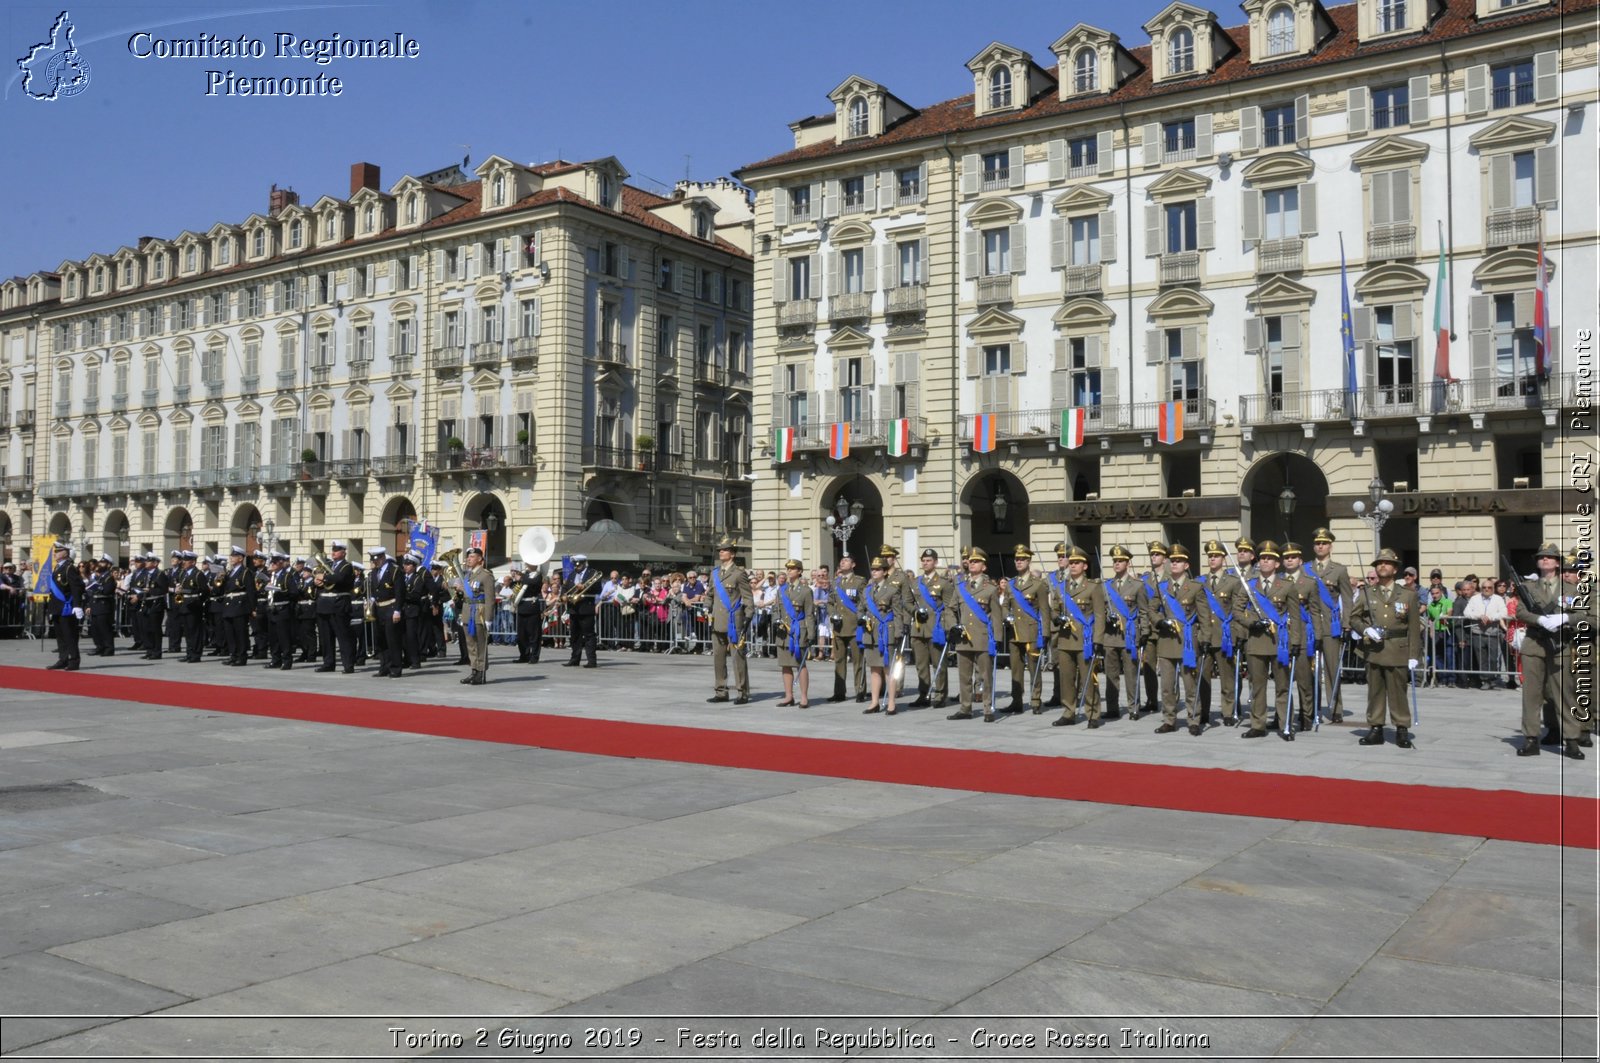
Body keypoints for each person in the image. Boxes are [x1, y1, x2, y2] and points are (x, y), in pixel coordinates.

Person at [1513, 542, 1584, 758]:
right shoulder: (1528, 587)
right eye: (1541, 557)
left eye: (1550, 557)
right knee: (1531, 695)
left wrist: (1565, 618)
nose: (1545, 560)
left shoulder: (1572, 590)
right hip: (1534, 645)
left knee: (1564, 695)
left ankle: (1572, 740)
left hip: (1559, 646)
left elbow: (1585, 616)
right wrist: (1540, 620)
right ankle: (1531, 738)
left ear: (1557, 562)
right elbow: (1521, 612)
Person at [1349, 547, 1422, 749]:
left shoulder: (1407, 595)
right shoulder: (1366, 593)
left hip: (1398, 648)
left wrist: (1414, 654)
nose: (1382, 565)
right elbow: (1353, 618)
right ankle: (1376, 728)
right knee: (1375, 691)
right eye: (1379, 563)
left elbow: (1414, 627)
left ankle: (1401, 728)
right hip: (1373, 648)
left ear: (1395, 569)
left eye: (1387, 563)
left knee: (1398, 691)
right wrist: (1366, 630)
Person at [1236, 541, 1303, 741]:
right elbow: (1237, 610)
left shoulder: (1287, 586)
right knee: (1257, 686)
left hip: (1280, 642)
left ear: (1277, 564)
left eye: (1270, 559)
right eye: (1263, 558)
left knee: (1283, 686)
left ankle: (1285, 724)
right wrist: (1250, 623)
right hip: (1256, 642)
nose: (1265, 562)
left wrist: (1296, 642)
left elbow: (1296, 616)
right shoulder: (1249, 585)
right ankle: (1258, 724)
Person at [1152, 543, 1207, 735]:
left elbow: (1204, 615)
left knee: (1190, 685)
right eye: (1172, 560)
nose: (1174, 564)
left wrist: (1204, 638)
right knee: (1167, 686)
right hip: (1167, 641)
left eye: (1179, 561)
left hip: (1188, 643)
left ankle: (1193, 719)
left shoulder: (1195, 587)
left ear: (1186, 565)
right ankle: (1169, 719)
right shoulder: (1161, 587)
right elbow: (1152, 609)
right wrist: (1159, 622)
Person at [1048, 544, 1105, 728]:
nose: (1072, 566)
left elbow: (1099, 615)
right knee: (1066, 679)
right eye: (1071, 562)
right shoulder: (1062, 587)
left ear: (1085, 566)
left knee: (1088, 679)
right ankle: (1068, 712)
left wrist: (1098, 640)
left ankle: (1093, 713)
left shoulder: (1093, 587)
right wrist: (1057, 619)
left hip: (1085, 640)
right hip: (1065, 639)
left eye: (1077, 563)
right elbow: (1054, 609)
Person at [1281, 542, 1330, 733]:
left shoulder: (1309, 582)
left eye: (1293, 557)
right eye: (1286, 557)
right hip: (1283, 636)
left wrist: (1318, 635)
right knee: (1283, 680)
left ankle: (1306, 715)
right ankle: (1284, 716)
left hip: (1303, 634)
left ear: (1300, 560)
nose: (1290, 560)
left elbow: (1316, 611)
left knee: (1304, 679)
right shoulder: (1277, 581)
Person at [1307, 527, 1354, 721]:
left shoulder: (1339, 570)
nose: (1320, 546)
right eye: (1317, 543)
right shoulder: (1305, 569)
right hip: (1309, 625)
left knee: (1332, 668)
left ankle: (1335, 708)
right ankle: (1309, 708)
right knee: (1309, 670)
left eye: (1324, 543)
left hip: (1329, 625)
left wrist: (1347, 624)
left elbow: (1348, 598)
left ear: (1330, 546)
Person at [949, 547, 1001, 721]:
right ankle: (965, 708)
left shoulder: (991, 589)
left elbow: (996, 615)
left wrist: (998, 639)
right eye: (970, 561)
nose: (972, 564)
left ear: (984, 567)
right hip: (963, 637)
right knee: (964, 676)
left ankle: (987, 708)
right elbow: (950, 609)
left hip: (983, 637)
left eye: (976, 561)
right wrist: (953, 627)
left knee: (985, 676)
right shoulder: (960, 587)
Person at [1197, 540, 1243, 726]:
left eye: (1216, 556)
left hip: (1225, 636)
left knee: (1227, 678)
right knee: (1203, 678)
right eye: (1210, 556)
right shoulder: (1200, 582)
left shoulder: (1232, 582)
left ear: (1223, 559)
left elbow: (1239, 610)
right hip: (1205, 636)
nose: (1212, 559)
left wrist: (1238, 634)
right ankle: (1203, 712)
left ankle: (1227, 712)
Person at [706, 537, 754, 704]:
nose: (721, 552)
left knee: (737, 657)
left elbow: (747, 597)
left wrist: (749, 615)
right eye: (720, 550)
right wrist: (706, 607)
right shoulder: (715, 573)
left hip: (734, 621)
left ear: (732, 554)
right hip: (717, 620)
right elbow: (710, 595)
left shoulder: (739, 574)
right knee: (718, 657)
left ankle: (742, 692)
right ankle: (721, 691)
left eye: (724, 550)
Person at [1100, 545, 1145, 721]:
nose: (1117, 564)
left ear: (1128, 563)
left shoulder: (1137, 585)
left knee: (1131, 674)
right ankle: (1112, 708)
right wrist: (1106, 617)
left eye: (1120, 561)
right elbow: (1101, 610)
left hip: (1129, 635)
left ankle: (1133, 708)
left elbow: (1143, 611)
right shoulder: (1106, 586)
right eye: (1115, 561)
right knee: (1111, 675)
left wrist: (1144, 633)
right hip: (1110, 636)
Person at [1003, 545, 1049, 714]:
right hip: (1015, 632)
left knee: (1034, 668)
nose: (1019, 562)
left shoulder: (1038, 584)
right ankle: (1017, 701)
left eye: (1022, 559)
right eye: (1017, 559)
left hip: (1032, 632)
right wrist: (1006, 616)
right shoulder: (1010, 584)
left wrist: (1045, 633)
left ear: (1029, 561)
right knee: (1016, 669)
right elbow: (1005, 605)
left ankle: (1036, 700)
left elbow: (1044, 610)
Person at [910, 548, 955, 708]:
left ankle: (940, 694)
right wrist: (914, 611)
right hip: (918, 628)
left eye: (928, 560)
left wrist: (948, 627)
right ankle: (924, 694)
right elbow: (907, 602)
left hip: (936, 628)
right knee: (920, 664)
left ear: (935, 562)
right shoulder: (916, 582)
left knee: (939, 664)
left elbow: (949, 607)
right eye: (923, 560)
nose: (925, 563)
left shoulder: (944, 583)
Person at [859, 557, 905, 714]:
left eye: (878, 569)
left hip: (886, 633)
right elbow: (861, 609)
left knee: (889, 669)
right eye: (872, 569)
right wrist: (862, 619)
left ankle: (891, 702)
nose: (874, 572)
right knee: (874, 669)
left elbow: (899, 613)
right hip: (870, 632)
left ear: (885, 572)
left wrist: (898, 632)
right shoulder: (867, 590)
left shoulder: (892, 589)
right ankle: (874, 702)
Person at [773, 560, 815, 707]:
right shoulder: (781, 590)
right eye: (788, 568)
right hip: (783, 632)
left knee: (800, 664)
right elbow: (776, 609)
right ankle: (788, 696)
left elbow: (809, 614)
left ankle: (804, 697)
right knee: (785, 664)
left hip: (798, 630)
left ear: (799, 571)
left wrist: (811, 634)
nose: (789, 571)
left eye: (792, 569)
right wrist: (776, 621)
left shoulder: (805, 590)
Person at [314, 541, 357, 673]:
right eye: (333, 550)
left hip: (339, 604)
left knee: (343, 636)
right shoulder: (330, 565)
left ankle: (348, 665)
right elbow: (324, 579)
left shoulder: (347, 566)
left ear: (344, 552)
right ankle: (328, 663)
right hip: (325, 605)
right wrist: (317, 580)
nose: (333, 553)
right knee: (326, 637)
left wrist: (324, 577)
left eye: (337, 550)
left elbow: (339, 578)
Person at [830, 556, 867, 703]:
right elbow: (830, 602)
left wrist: (860, 617)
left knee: (858, 660)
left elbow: (862, 602)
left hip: (854, 626)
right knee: (839, 660)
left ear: (853, 564)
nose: (842, 562)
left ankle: (860, 690)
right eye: (841, 560)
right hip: (839, 626)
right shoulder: (835, 582)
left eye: (846, 561)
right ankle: (839, 692)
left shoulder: (859, 581)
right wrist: (833, 614)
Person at [1139, 542, 1170, 716]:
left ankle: (1169, 700)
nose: (1154, 557)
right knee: (1148, 666)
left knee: (1168, 667)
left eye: (1157, 555)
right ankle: (1151, 700)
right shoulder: (1144, 579)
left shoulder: (1170, 577)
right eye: (1152, 555)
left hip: (1166, 627)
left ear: (1164, 559)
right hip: (1149, 629)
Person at [46, 542, 85, 670]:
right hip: (57, 607)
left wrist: (77, 605)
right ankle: (63, 659)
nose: (55, 554)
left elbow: (76, 587)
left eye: (57, 551)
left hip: (66, 607)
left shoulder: (70, 568)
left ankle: (74, 661)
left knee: (70, 635)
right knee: (60, 635)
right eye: (55, 551)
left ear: (65, 553)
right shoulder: (57, 567)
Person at [458, 545, 494, 684]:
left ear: (480, 559)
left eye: (472, 557)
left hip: (479, 612)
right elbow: (469, 595)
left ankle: (481, 672)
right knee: (470, 644)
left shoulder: (486, 575)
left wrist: (488, 618)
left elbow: (490, 598)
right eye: (468, 556)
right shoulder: (468, 575)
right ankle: (473, 670)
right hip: (468, 611)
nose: (468, 559)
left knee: (480, 644)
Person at [368, 546, 405, 678]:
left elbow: (400, 592)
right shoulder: (373, 573)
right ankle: (384, 666)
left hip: (391, 607)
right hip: (379, 609)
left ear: (383, 558)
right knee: (381, 640)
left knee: (393, 640)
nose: (375, 562)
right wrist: (371, 601)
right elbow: (374, 591)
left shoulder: (395, 571)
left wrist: (397, 610)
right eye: (373, 560)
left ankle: (395, 668)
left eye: (377, 559)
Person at [562, 553, 601, 668]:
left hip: (586, 607)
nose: (576, 567)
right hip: (574, 608)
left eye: (578, 565)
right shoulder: (572, 574)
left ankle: (591, 661)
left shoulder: (593, 573)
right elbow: (565, 587)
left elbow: (598, 588)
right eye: (575, 565)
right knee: (574, 635)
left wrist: (584, 587)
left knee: (589, 635)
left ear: (584, 563)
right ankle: (575, 659)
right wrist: (562, 595)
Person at [220, 546, 256, 667]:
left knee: (240, 632)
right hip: (229, 605)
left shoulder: (246, 572)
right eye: (231, 556)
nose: (231, 558)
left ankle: (242, 656)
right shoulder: (230, 572)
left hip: (240, 605)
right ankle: (233, 655)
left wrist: (252, 608)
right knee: (229, 632)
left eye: (234, 556)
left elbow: (251, 591)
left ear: (240, 558)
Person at [264, 552, 299, 670]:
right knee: (273, 637)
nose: (272, 565)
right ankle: (275, 659)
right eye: (272, 563)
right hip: (271, 608)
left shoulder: (286, 576)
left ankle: (287, 660)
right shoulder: (271, 576)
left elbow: (294, 593)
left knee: (284, 637)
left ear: (280, 563)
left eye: (274, 563)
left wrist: (280, 591)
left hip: (282, 609)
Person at [514, 561, 544, 662]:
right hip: (522, 606)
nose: (527, 565)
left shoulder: (538, 575)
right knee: (521, 634)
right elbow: (517, 587)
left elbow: (533, 582)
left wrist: (522, 577)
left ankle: (534, 656)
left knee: (534, 634)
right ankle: (524, 655)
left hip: (532, 606)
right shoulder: (525, 575)